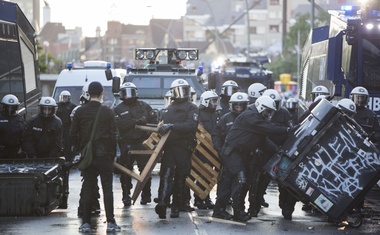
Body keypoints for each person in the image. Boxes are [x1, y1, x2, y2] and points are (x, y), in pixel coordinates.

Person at [212, 96, 290, 222]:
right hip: (233, 152)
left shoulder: (256, 118)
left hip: (241, 153)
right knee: (240, 179)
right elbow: (269, 129)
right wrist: (287, 130)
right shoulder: (250, 116)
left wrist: (277, 150)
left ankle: (221, 210)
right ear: (261, 107)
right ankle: (237, 211)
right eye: (268, 111)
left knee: (231, 181)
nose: (269, 114)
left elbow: (263, 140)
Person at [70, 81, 120, 232]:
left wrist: (81, 150)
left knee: (88, 187)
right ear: (102, 94)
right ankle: (110, 222)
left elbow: (73, 135)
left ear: (88, 94)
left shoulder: (79, 111)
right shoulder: (108, 112)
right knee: (107, 189)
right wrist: (113, 155)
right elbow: (113, 136)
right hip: (105, 155)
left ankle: (85, 223)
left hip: (88, 156)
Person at [155, 78, 199, 219]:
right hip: (169, 146)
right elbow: (162, 125)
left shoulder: (192, 108)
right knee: (166, 175)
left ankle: (176, 206)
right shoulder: (168, 108)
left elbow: (190, 126)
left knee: (180, 177)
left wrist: (172, 126)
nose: (181, 94)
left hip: (184, 147)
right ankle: (162, 203)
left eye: (184, 90)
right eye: (178, 90)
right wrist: (161, 128)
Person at [113, 82, 157, 207]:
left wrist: (147, 128)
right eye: (125, 93)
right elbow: (119, 124)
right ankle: (126, 195)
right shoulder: (118, 109)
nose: (127, 96)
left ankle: (146, 195)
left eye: (130, 92)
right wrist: (136, 122)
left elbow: (154, 121)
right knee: (125, 170)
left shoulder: (144, 106)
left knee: (145, 170)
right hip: (126, 143)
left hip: (142, 142)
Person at [193, 90, 219, 209]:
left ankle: (206, 197)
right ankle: (198, 198)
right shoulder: (199, 113)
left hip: (212, 147)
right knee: (202, 173)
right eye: (213, 101)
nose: (215, 103)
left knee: (210, 174)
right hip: (202, 148)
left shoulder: (214, 113)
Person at [0, 94, 26, 159]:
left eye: (12, 108)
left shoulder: (20, 119)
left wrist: (24, 151)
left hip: (15, 152)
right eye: (8, 108)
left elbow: (24, 136)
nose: (10, 110)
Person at [56, 90, 76, 161]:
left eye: (65, 97)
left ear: (69, 98)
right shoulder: (57, 105)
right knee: (59, 142)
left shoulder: (72, 106)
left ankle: (68, 158)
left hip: (68, 127)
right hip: (59, 127)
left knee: (68, 144)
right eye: (63, 97)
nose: (64, 99)